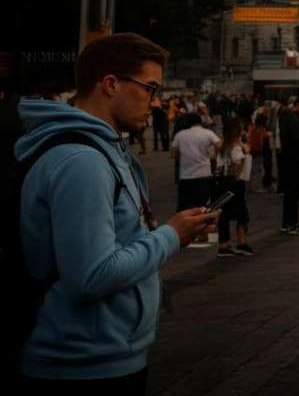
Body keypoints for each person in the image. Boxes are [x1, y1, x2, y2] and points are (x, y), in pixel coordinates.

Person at [12, 33, 219, 387]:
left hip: (104, 356)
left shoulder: (104, 149)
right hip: (81, 365)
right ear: (110, 84)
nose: (156, 103)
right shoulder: (82, 161)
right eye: (150, 88)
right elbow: (90, 276)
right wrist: (171, 236)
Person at [214, 114, 253, 257]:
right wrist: (237, 175)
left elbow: (214, 159)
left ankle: (223, 244)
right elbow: (238, 164)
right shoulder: (237, 146)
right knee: (242, 213)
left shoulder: (220, 144)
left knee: (224, 212)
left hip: (222, 182)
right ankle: (241, 242)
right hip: (236, 183)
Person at [171, 111, 221, 222]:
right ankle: (202, 232)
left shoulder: (180, 134)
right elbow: (219, 145)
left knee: (184, 205)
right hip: (203, 173)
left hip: (185, 176)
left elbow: (174, 154)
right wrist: (212, 155)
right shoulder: (207, 133)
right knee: (202, 205)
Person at [277, 96, 299, 235]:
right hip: (294, 158)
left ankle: (287, 223)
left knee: (290, 193)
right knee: (293, 193)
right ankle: (292, 224)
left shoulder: (286, 115)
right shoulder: (291, 116)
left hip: (288, 158)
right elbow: (298, 136)